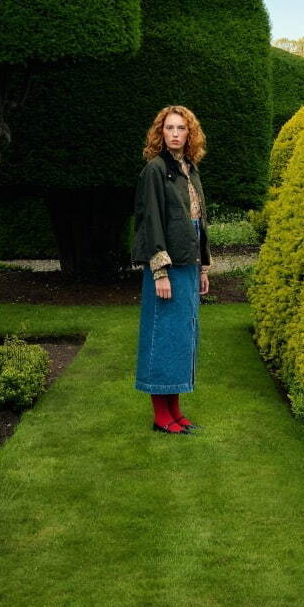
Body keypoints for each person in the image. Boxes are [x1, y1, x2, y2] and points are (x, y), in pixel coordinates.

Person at [133, 105, 211, 433]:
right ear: (160, 133)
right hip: (167, 265)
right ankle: (159, 414)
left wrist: (204, 268)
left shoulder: (190, 169)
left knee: (183, 338)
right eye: (169, 128)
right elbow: (150, 220)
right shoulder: (155, 169)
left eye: (181, 128)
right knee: (162, 335)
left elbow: (199, 221)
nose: (176, 134)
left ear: (189, 134)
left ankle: (175, 408)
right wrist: (159, 271)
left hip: (189, 263)